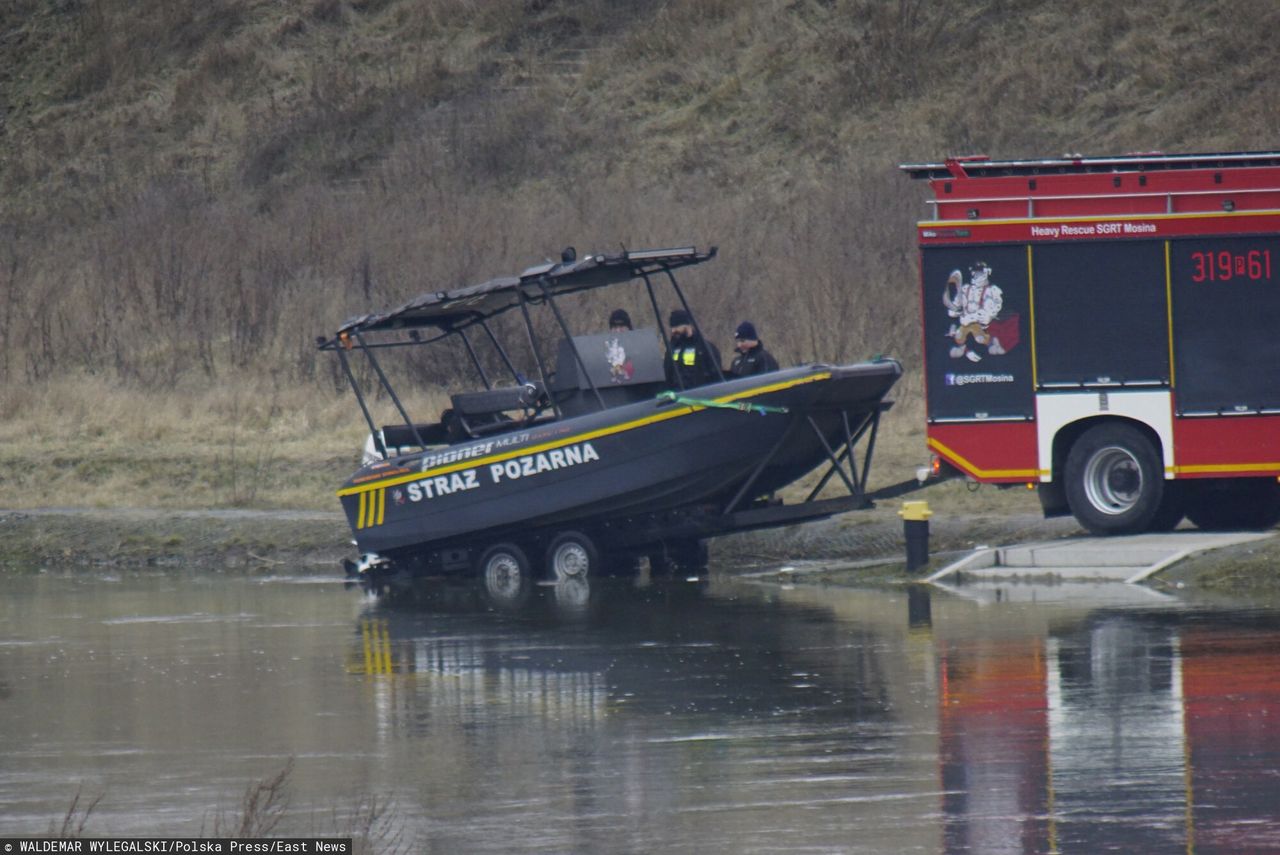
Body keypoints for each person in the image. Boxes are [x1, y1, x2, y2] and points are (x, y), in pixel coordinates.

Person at [664, 308, 722, 389]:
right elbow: (667, 374)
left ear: (688, 325)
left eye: (677, 326)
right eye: (672, 327)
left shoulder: (705, 348)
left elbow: (716, 377)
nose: (673, 330)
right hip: (677, 397)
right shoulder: (672, 349)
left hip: (698, 396)